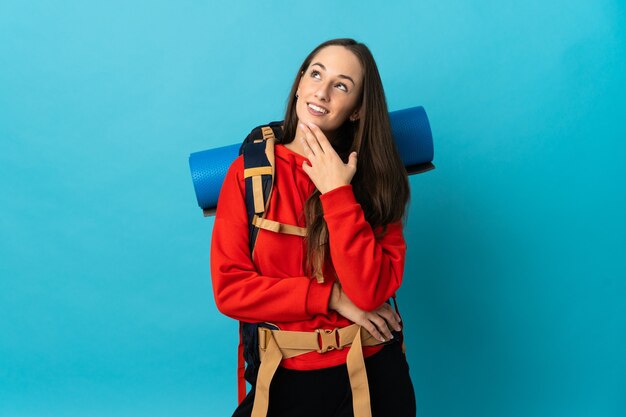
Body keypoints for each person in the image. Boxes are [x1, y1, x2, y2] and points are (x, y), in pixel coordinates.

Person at [210, 38, 416, 417]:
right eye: (316, 74)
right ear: (300, 82)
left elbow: (370, 292)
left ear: (356, 110)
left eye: (342, 85)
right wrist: (332, 298)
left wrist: (337, 192)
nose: (321, 91)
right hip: (288, 374)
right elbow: (231, 290)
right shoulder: (248, 176)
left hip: (372, 371)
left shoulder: (378, 179)